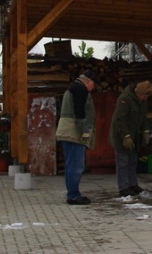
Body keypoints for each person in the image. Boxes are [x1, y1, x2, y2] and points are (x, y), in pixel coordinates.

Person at [55, 70, 97, 205]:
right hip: (73, 133)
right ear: (89, 82)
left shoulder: (72, 88)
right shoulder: (80, 89)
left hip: (66, 131)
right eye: (93, 85)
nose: (93, 88)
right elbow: (80, 112)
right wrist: (85, 132)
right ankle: (73, 195)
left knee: (70, 164)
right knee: (76, 165)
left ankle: (72, 193)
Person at [109, 80, 152, 197]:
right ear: (139, 93)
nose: (145, 98)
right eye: (145, 95)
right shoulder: (125, 99)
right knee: (123, 162)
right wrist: (125, 136)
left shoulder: (142, 101)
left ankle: (132, 184)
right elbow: (119, 119)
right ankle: (123, 188)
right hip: (121, 135)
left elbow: (143, 117)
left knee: (133, 160)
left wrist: (145, 131)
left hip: (135, 135)